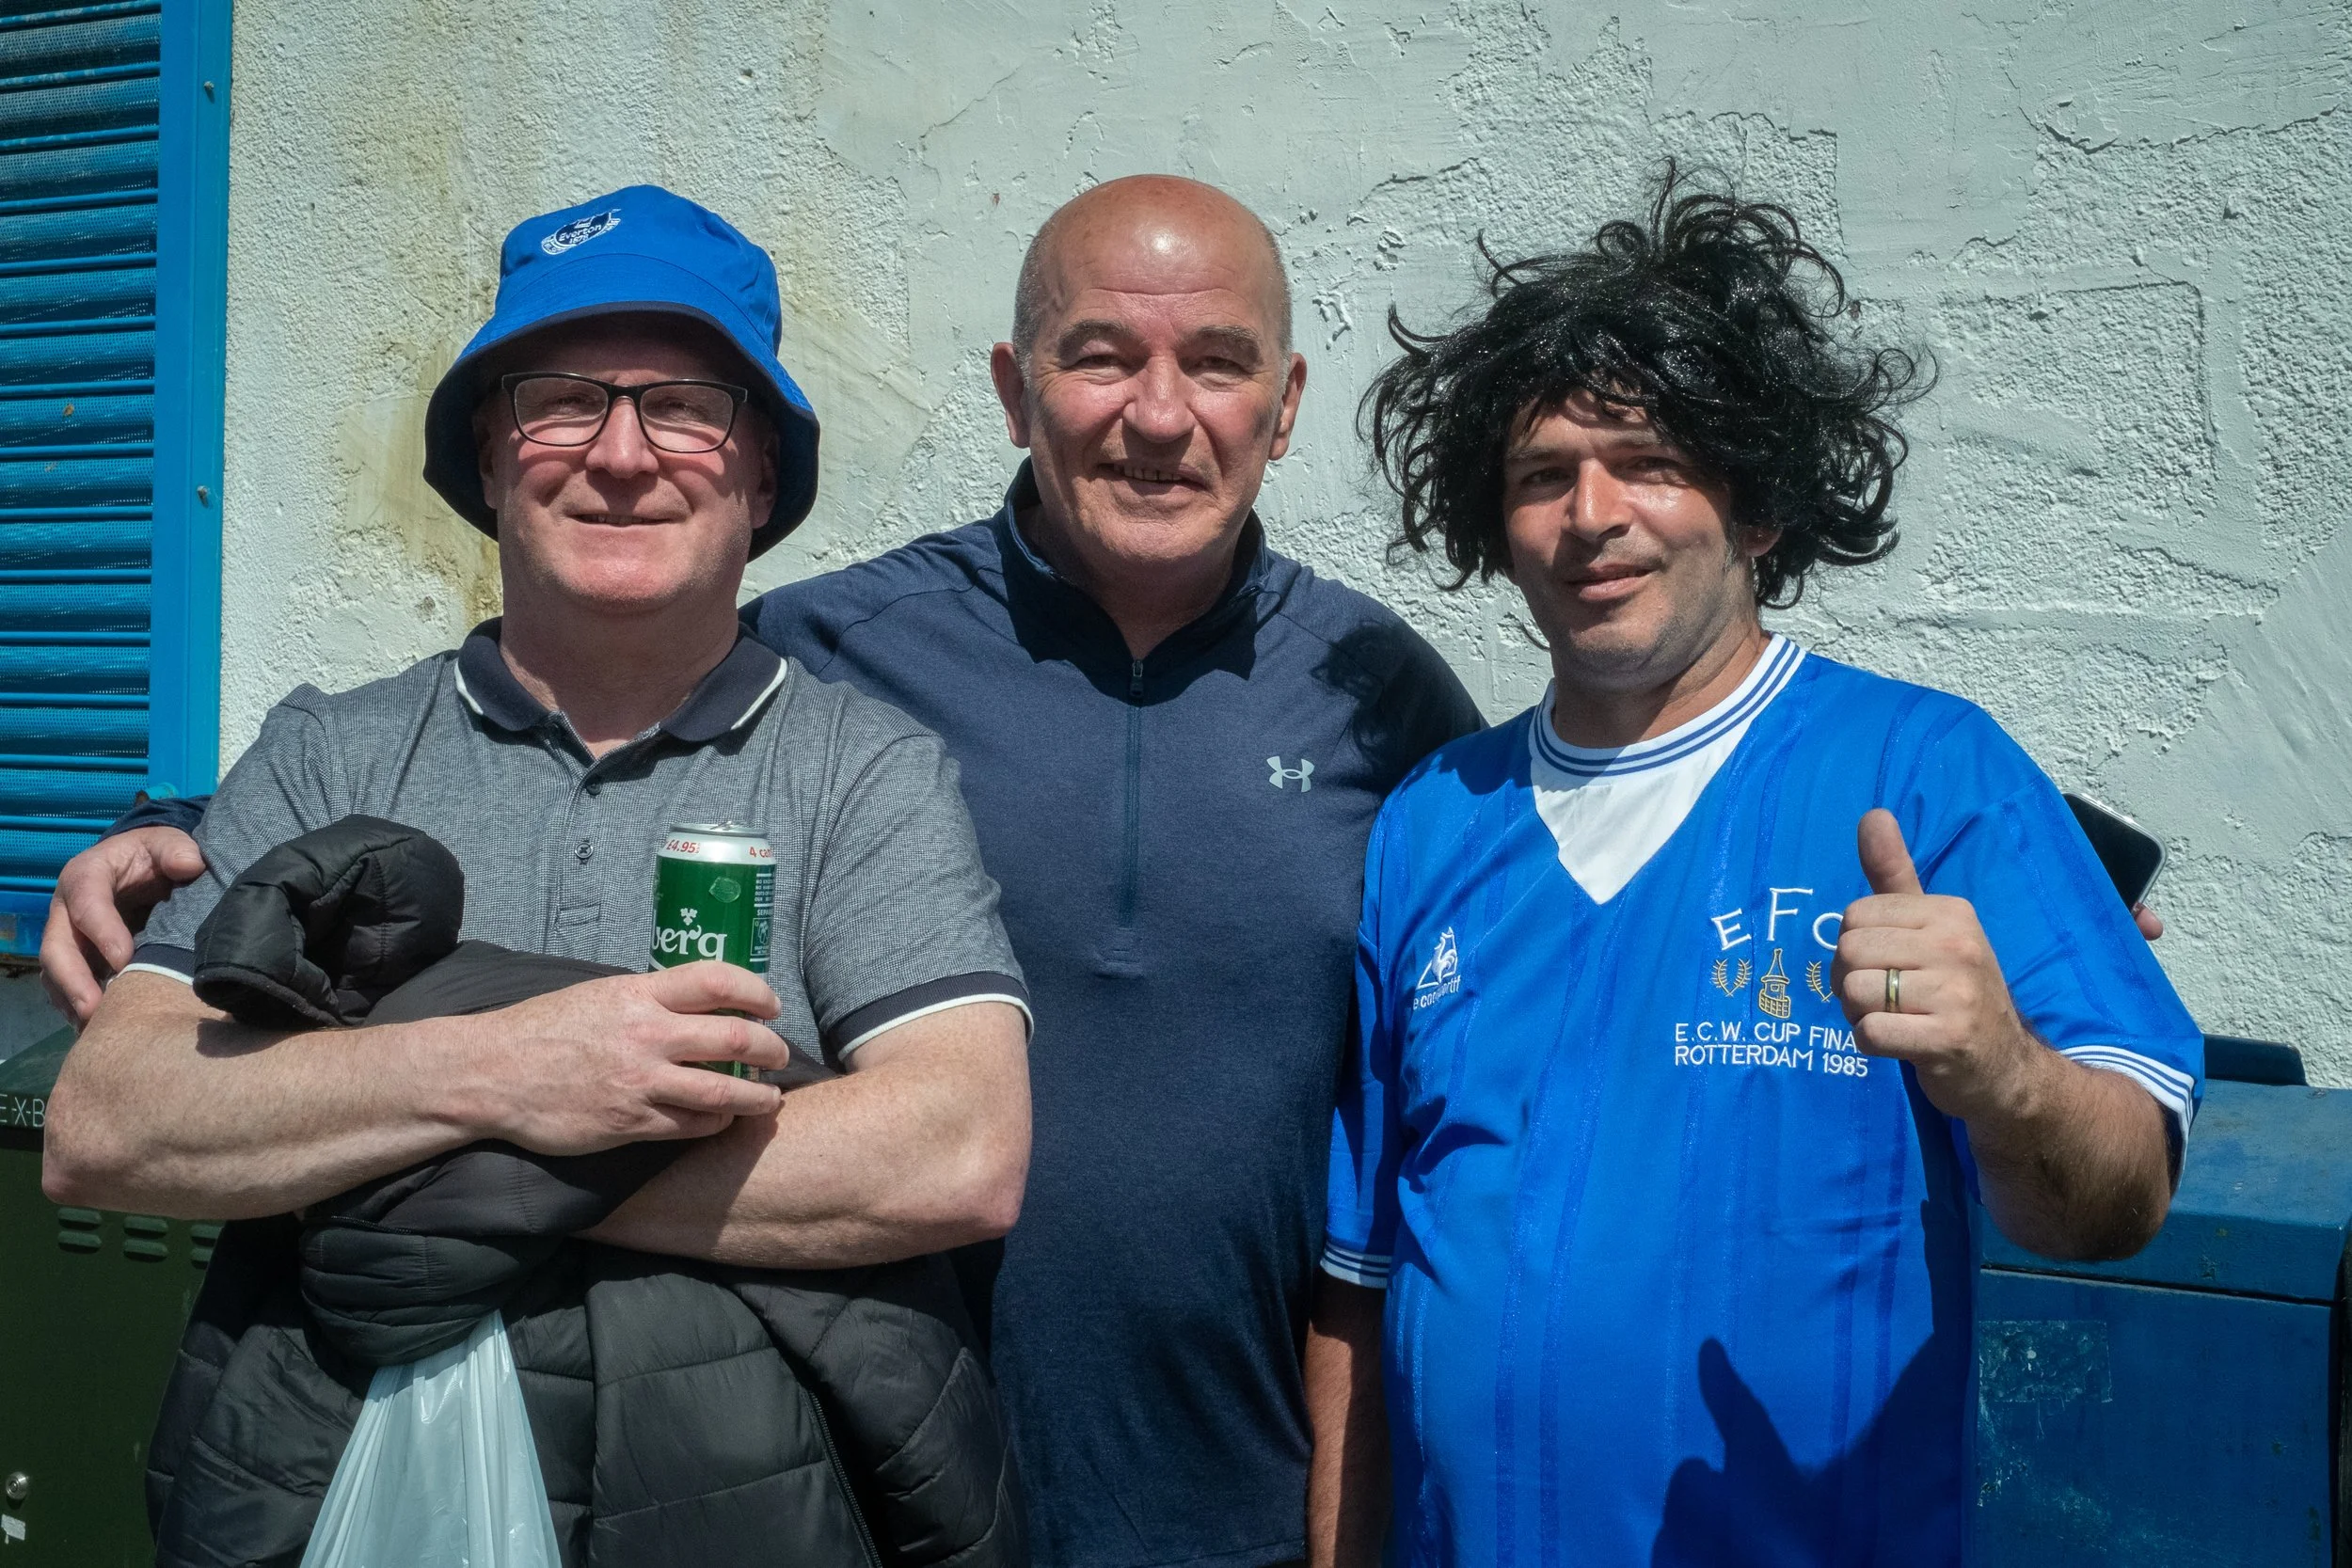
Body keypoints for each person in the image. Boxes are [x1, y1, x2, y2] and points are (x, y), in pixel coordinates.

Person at [43, 175, 1482, 1568]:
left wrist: (447, 1158)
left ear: (1285, 404)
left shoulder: (1371, 695)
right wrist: (201, 842)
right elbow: (116, 1113)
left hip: (1206, 1481)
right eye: (1100, 356)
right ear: (1013, 388)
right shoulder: (848, 645)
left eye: (1215, 362)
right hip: (782, 1469)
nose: (1157, 413)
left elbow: (967, 1146)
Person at [43, 186, 1033, 1558]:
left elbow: (959, 1150)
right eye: (563, 399)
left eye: (687, 404)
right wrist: (511, 1072)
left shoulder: (861, 772)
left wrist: (413, 1157)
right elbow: (110, 1122)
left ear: (758, 476)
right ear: (491, 457)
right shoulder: (332, 754)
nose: (622, 454)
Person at [1305, 172, 2203, 1565]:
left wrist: (2011, 1072)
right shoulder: (1436, 817)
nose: (1591, 513)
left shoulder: (1929, 772)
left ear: (1764, 507)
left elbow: (2118, 1198)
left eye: (1650, 461)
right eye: (1544, 474)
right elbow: (1361, 1288)